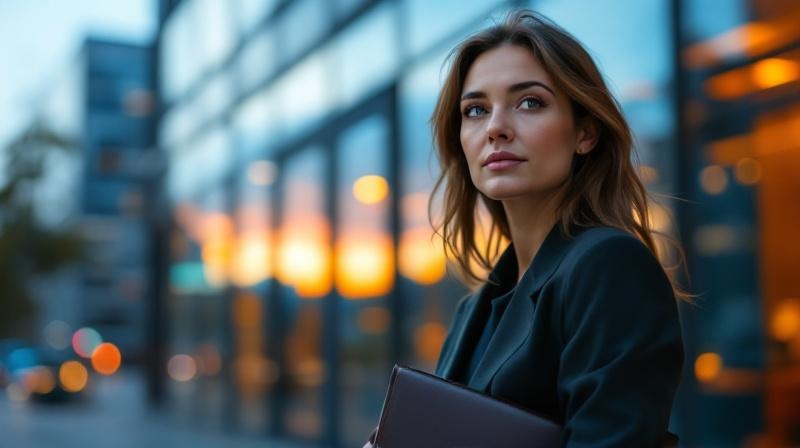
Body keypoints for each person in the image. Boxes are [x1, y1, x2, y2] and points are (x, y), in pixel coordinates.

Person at [364, 9, 685, 448]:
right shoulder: (474, 309)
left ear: (585, 133)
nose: (495, 128)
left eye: (529, 102)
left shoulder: (609, 266)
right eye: (475, 110)